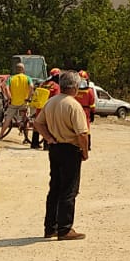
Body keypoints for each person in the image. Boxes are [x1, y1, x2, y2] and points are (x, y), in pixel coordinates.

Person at [34, 70, 90, 240]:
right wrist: (84, 152)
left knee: (55, 188)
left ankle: (50, 227)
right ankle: (65, 229)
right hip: (70, 149)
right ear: (74, 87)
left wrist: (49, 138)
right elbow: (82, 134)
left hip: (55, 148)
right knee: (69, 189)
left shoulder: (51, 102)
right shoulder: (73, 105)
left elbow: (38, 123)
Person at [0, 60, 34, 143]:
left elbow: (6, 88)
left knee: (7, 119)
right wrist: (28, 97)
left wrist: (9, 97)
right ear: (23, 70)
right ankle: (26, 138)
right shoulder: (28, 78)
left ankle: (1, 135)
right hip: (24, 102)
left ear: (16, 70)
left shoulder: (11, 78)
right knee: (25, 119)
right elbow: (31, 87)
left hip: (13, 102)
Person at [29, 75, 59, 150]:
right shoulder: (56, 86)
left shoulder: (43, 84)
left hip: (39, 108)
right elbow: (56, 98)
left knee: (37, 125)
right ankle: (47, 146)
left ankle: (34, 143)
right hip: (48, 108)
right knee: (48, 126)